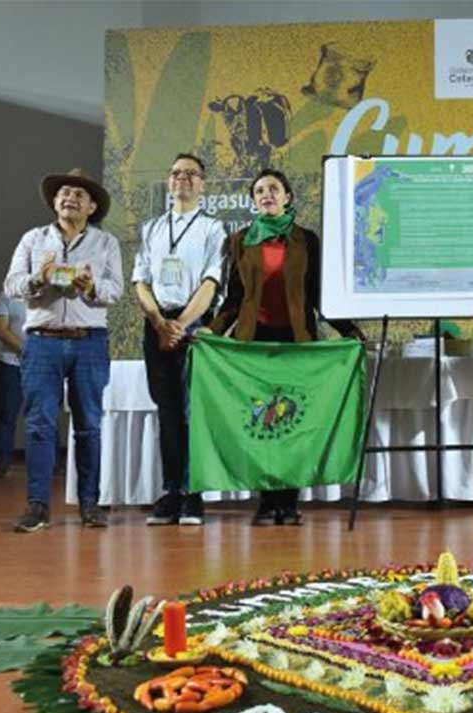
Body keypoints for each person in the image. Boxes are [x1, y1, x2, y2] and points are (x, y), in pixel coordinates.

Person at [203, 168, 363, 526]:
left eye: (273, 189)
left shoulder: (307, 240)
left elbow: (320, 295)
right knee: (262, 421)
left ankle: (289, 503)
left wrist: (349, 330)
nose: (267, 195)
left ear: (287, 197)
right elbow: (234, 299)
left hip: (296, 342)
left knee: (292, 422)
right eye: (259, 191)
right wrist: (211, 332)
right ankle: (266, 502)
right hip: (253, 346)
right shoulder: (241, 240)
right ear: (253, 201)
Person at [3, 168, 124, 532]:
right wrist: (39, 277)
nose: (70, 198)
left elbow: (116, 291)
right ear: (55, 202)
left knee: (88, 425)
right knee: (39, 424)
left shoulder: (106, 243)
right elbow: (12, 285)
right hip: (42, 341)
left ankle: (90, 504)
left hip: (90, 342)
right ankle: (38, 506)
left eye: (78, 195)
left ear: (92, 207)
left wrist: (90, 287)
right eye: (64, 194)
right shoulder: (33, 239)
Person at [133, 153, 226, 526]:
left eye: (190, 174)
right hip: (157, 325)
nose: (182, 178)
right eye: (175, 173)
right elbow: (141, 282)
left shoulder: (213, 228)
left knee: (190, 412)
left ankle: (192, 494)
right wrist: (159, 322)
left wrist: (181, 325)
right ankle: (172, 491)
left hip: (194, 324)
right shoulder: (152, 228)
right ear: (168, 181)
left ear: (202, 183)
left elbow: (211, 282)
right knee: (167, 411)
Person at [0, 290, 27, 478]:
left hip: (42, 365)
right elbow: (1, 330)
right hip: (12, 364)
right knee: (7, 415)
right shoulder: (5, 295)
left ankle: (51, 463)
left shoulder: (47, 292)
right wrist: (26, 350)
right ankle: (2, 462)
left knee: (46, 415)